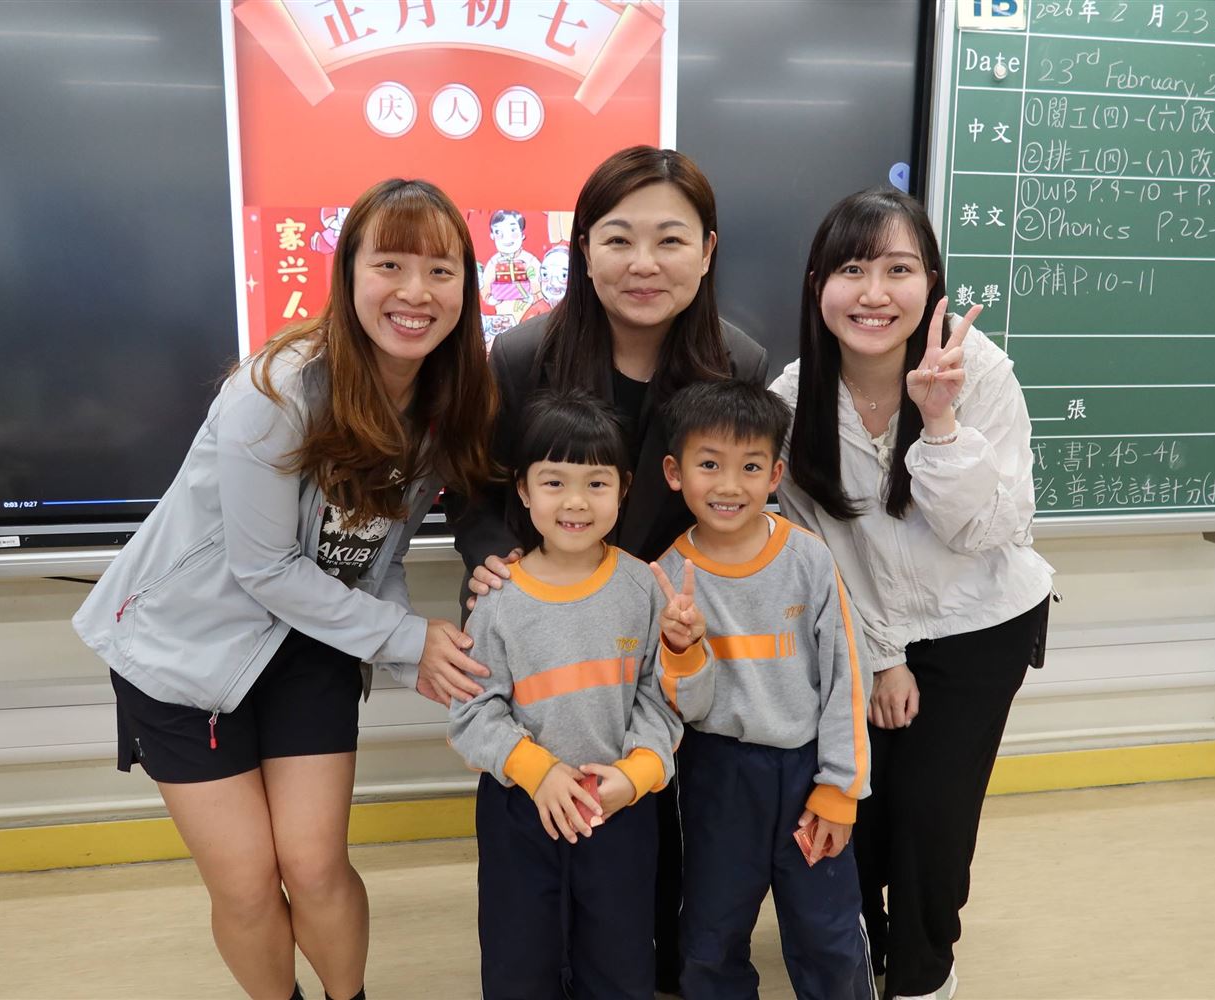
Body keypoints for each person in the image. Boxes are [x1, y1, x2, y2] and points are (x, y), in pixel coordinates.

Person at [72, 179, 497, 1000]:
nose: (415, 292)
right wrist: (409, 642)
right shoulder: (275, 391)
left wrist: (410, 653)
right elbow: (264, 567)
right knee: (245, 883)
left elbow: (373, 555)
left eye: (441, 270)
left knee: (315, 865)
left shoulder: (447, 403)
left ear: (465, 287)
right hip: (185, 652)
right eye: (390, 264)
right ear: (349, 273)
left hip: (312, 642)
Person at [450, 146, 767, 992]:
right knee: (531, 875)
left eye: (671, 240)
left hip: (667, 625)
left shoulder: (738, 362)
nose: (643, 264)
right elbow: (474, 491)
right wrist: (494, 564)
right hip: (548, 621)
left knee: (646, 852)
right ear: (584, 249)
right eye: (619, 239)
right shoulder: (523, 356)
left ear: (707, 250)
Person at [770, 188, 1054, 1000]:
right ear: (818, 284)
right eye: (852, 270)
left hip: (979, 621)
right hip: (858, 629)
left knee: (933, 820)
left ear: (931, 284)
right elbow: (817, 554)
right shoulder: (789, 401)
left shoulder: (981, 372)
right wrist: (882, 656)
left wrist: (940, 422)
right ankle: (857, 963)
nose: (874, 293)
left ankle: (925, 976)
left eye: (899, 270)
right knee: (856, 809)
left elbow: (990, 531)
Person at [449, 389, 683, 1000]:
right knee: (520, 966)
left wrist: (638, 773)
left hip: (619, 808)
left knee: (619, 966)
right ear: (523, 491)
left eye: (596, 483)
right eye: (554, 482)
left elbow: (659, 696)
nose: (575, 502)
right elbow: (472, 712)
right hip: (521, 810)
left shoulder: (641, 586)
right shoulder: (497, 598)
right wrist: (538, 772)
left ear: (623, 489)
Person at [649, 379, 873, 1000]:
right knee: (711, 938)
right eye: (709, 465)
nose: (729, 485)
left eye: (750, 467)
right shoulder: (666, 577)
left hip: (808, 773)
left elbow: (846, 681)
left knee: (829, 934)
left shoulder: (808, 558)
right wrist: (682, 648)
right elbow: (684, 709)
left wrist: (840, 789)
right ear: (674, 473)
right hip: (718, 779)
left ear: (775, 475)